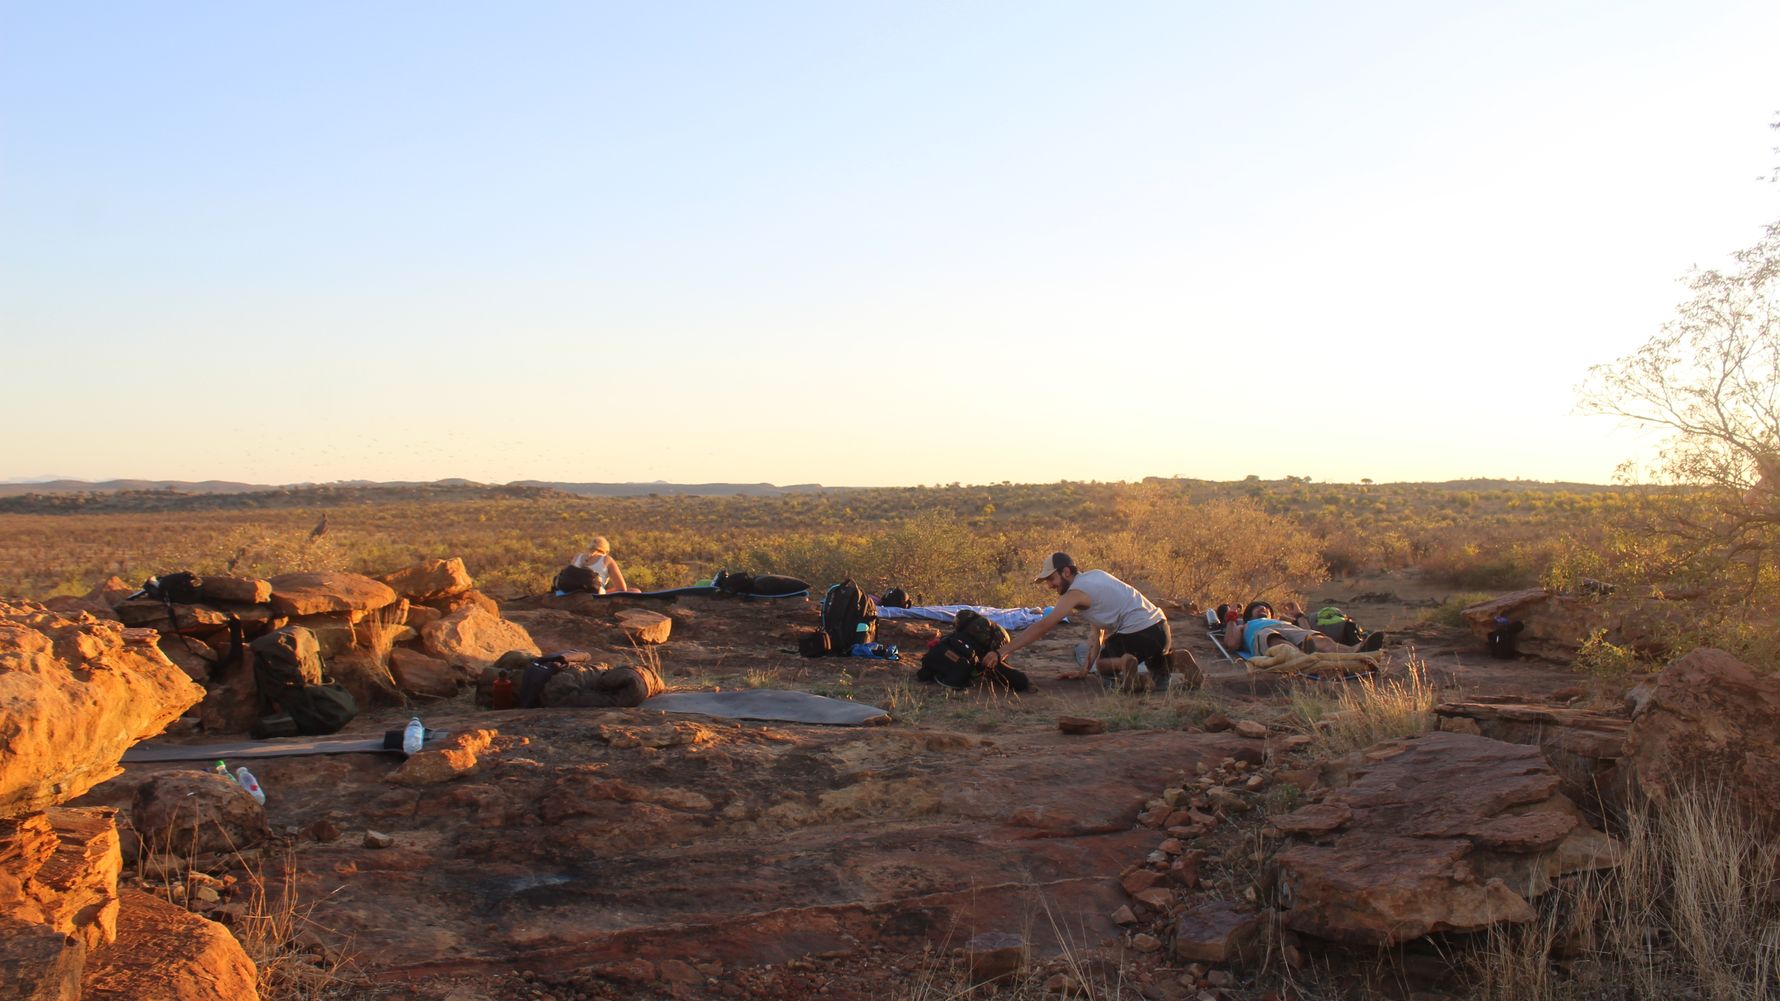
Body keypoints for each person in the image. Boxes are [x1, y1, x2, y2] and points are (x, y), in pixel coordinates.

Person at [983, 552, 1190, 691]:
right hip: (1162, 631)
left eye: (1051, 579)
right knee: (1160, 679)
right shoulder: (1097, 576)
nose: (1050, 585)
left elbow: (1043, 626)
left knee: (1103, 666)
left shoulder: (1074, 594)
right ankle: (1178, 659)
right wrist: (1083, 670)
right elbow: (1096, 634)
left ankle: (1126, 663)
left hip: (1139, 632)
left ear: (1066, 572)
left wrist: (1002, 651)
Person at [1224, 601, 1385, 657]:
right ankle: (1303, 658)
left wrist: (1299, 615)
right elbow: (1232, 643)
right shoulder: (1245, 626)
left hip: (1288, 629)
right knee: (1276, 640)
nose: (1263, 609)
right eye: (1258, 608)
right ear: (1248, 616)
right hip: (1262, 634)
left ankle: (1356, 651)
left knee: (1318, 639)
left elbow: (1306, 630)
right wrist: (1231, 616)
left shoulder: (1282, 621)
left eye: (1266, 608)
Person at [567, 536, 639, 594]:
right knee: (635, 591)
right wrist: (605, 592)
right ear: (606, 550)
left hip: (572, 593)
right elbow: (622, 588)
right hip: (594, 594)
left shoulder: (577, 557)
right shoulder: (607, 559)